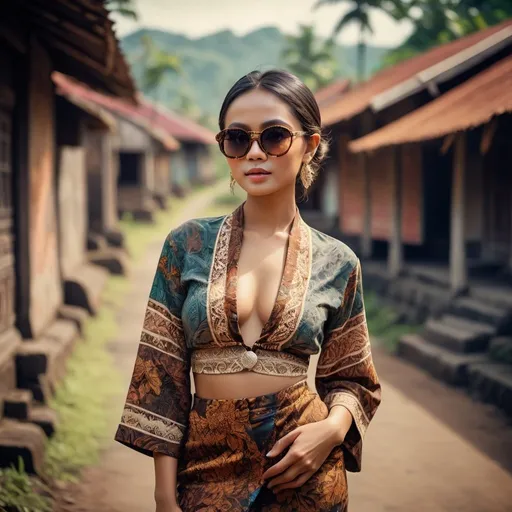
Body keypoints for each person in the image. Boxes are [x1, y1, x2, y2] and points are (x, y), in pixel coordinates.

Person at [114, 69, 382, 512]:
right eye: (238, 139)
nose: (255, 152)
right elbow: (160, 371)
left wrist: (330, 432)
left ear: (309, 145)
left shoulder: (338, 262)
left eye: (274, 136)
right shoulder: (187, 245)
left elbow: (352, 378)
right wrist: (164, 493)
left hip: (303, 468)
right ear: (224, 148)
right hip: (204, 466)